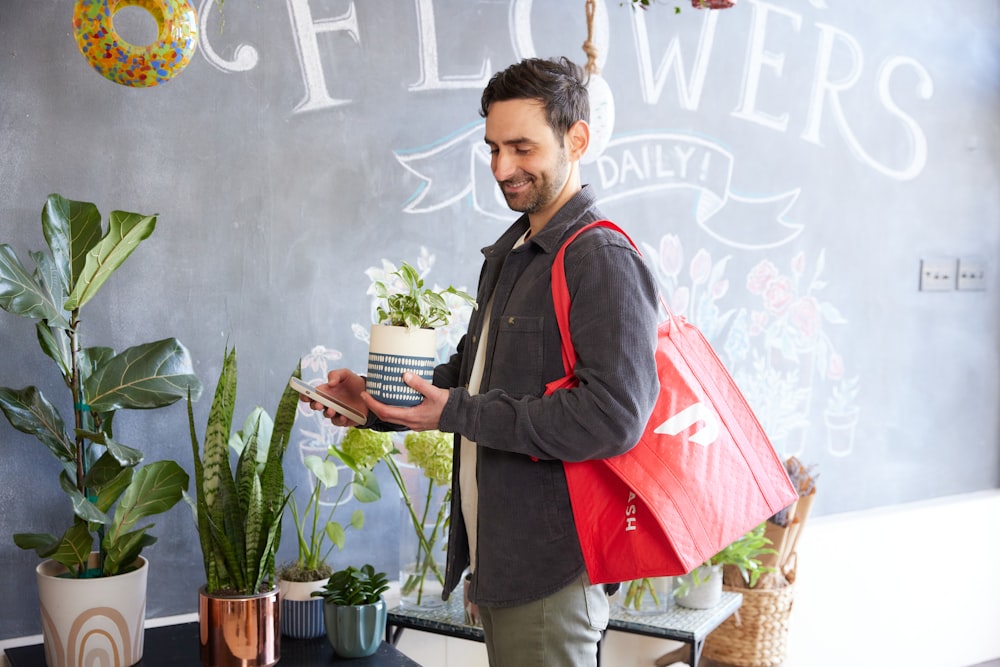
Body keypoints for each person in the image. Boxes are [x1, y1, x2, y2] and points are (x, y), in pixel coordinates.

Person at [304, 56, 661, 667]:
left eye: (522, 147)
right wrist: (374, 401)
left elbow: (613, 419)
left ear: (577, 138)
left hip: (550, 573)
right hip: (501, 560)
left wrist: (461, 412)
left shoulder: (599, 256)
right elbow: (470, 381)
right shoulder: (514, 252)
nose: (502, 168)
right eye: (494, 148)